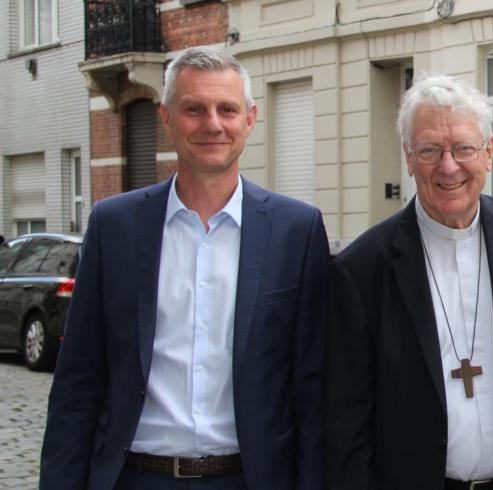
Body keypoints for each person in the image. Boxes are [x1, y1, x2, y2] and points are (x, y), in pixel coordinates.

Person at [40, 46, 328, 490]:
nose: (213, 124)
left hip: (250, 479)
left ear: (249, 120)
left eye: (227, 109)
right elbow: (77, 381)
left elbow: (311, 387)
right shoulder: (113, 226)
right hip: (135, 477)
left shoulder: (297, 231)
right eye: (194, 109)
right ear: (167, 118)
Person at [324, 74, 493, 490]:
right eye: (430, 150)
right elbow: (347, 418)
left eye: (463, 148)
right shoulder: (362, 267)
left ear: (488, 152)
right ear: (409, 157)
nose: (448, 166)